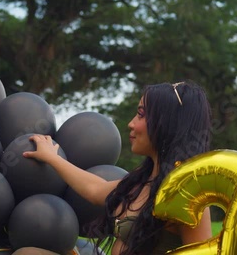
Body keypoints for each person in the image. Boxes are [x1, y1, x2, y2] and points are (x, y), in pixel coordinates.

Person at [13, 81, 213, 255]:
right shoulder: (143, 181)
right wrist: (52, 157)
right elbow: (96, 189)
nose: (131, 124)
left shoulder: (188, 195)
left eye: (141, 115)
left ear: (167, 124)